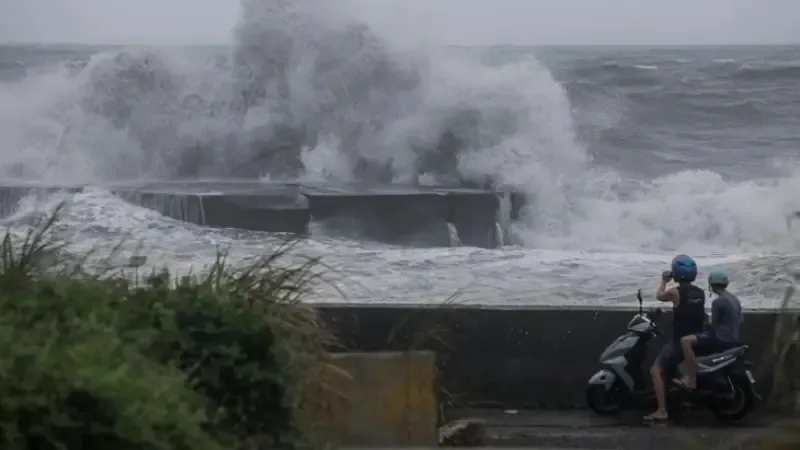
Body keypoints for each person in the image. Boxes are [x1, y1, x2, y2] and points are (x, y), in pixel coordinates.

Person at [643, 254, 706, 422]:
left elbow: (659, 295)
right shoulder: (700, 293)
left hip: (680, 342)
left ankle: (662, 410)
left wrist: (664, 280)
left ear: (676, 273)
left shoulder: (676, 292)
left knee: (655, 370)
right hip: (698, 339)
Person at [676, 268, 742, 390]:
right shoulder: (734, 299)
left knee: (685, 341)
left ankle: (691, 378)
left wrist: (705, 325)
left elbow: (714, 324)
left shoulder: (718, 302)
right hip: (734, 338)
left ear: (711, 285)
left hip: (721, 339)